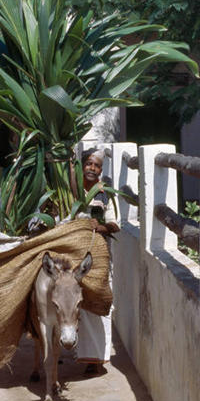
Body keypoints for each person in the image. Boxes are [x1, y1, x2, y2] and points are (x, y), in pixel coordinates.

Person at [77, 148, 119, 374]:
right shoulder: (70, 190)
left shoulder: (105, 192)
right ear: (81, 165)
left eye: (97, 166)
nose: (93, 169)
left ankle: (95, 358)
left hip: (99, 256)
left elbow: (115, 224)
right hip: (74, 255)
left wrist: (99, 226)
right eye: (89, 164)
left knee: (98, 302)